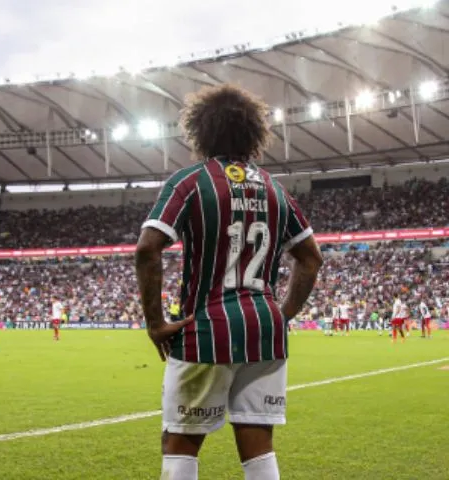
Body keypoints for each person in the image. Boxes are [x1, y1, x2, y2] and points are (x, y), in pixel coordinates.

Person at [135, 84, 323, 480]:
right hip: (265, 331)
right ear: (253, 134)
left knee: (180, 442)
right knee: (258, 445)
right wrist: (281, 313)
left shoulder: (189, 183)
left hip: (206, 328)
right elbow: (311, 258)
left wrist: (154, 324)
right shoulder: (276, 190)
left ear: (200, 132)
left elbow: (148, 249)